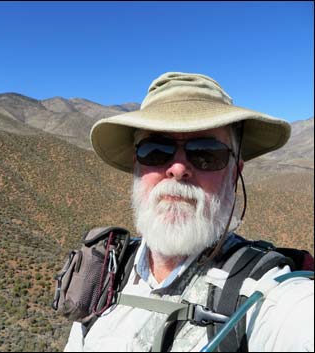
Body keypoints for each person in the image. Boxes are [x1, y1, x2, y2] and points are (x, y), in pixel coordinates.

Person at [63, 72, 314, 352]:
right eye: (156, 150)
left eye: (206, 152)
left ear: (234, 174)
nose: (178, 169)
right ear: (137, 166)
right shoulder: (105, 275)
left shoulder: (266, 297)